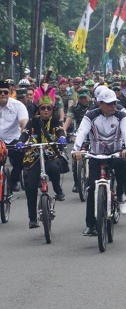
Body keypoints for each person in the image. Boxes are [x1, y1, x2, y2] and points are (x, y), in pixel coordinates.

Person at [72, 89, 126, 236]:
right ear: (99, 104)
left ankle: (121, 196)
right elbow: (82, 132)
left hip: (115, 154)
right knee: (92, 188)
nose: (113, 106)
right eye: (108, 104)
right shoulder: (91, 115)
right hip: (96, 155)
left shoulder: (121, 114)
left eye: (114, 103)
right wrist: (76, 150)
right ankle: (90, 225)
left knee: (121, 167)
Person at [17, 96, 67, 229]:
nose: (45, 110)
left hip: (50, 154)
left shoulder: (55, 120)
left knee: (54, 169)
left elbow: (60, 130)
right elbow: (25, 133)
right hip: (33, 156)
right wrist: (21, 141)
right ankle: (32, 218)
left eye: (48, 108)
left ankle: (58, 190)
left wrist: (62, 137)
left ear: (52, 109)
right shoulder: (33, 121)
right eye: (42, 108)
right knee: (30, 186)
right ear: (38, 109)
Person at [0, 80, 29, 191]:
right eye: (0, 92)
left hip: (13, 139)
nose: (2, 94)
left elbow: (24, 124)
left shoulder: (18, 105)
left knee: (20, 155)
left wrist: (24, 140)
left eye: (5, 92)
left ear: (10, 92)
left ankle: (14, 179)